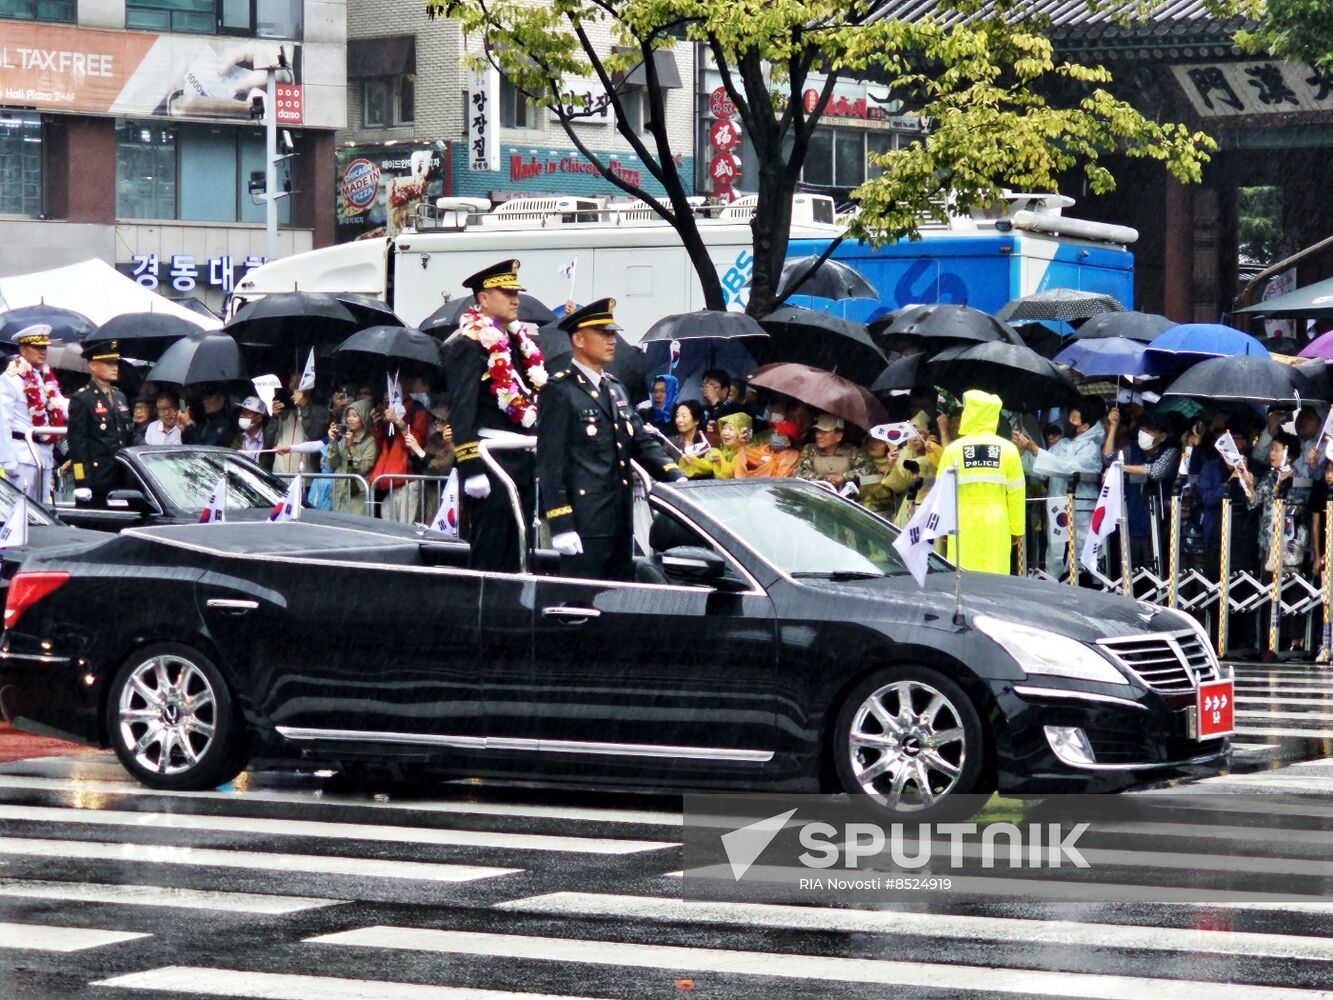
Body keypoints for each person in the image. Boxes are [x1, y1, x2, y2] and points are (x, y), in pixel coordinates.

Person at [536, 298, 684, 580]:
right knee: (583, 603)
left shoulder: (615, 388)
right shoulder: (560, 390)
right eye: (603, 334)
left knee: (618, 600)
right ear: (578, 339)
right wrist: (561, 523)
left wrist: (675, 475)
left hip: (618, 517)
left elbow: (639, 439)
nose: (612, 340)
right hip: (584, 520)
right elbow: (551, 463)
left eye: (613, 333)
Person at [440, 259, 546, 571]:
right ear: (483, 298)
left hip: (520, 458)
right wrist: (472, 467)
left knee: (521, 546)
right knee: (492, 548)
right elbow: (463, 408)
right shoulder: (467, 344)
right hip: (492, 460)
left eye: (516, 291)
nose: (515, 298)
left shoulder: (518, 342)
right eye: (505, 291)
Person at [1012, 395, 1106, 578]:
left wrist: (1035, 450)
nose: (1067, 423)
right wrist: (1024, 450)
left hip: (1081, 507)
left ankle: (1087, 585)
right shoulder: (1063, 443)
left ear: (1085, 426)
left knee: (1082, 549)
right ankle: (1054, 583)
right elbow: (1040, 470)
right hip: (1058, 504)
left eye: (1073, 419)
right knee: (1056, 551)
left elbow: (1068, 468)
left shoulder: (1091, 448)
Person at [938, 389, 1025, 575]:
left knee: (962, 577)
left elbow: (942, 492)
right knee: (996, 575)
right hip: (997, 523)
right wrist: (1017, 528)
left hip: (961, 522)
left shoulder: (953, 450)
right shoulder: (1009, 450)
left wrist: (942, 527)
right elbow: (1017, 492)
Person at [0, 324, 69, 502]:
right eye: (37, 347)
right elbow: (3, 420)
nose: (43, 351)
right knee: (20, 511)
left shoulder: (45, 378)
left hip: (44, 456)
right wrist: (7, 461)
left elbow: (62, 405)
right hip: (21, 455)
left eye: (44, 347)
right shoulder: (10, 379)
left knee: (44, 510)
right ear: (23, 350)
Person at [66, 339, 133, 503]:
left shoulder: (119, 396)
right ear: (93, 366)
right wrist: (81, 481)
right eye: (108, 363)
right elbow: (77, 445)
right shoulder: (82, 398)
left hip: (122, 474)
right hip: (97, 479)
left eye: (115, 362)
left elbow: (129, 432)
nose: (114, 367)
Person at [795, 414, 876, 492]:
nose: (818, 436)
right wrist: (826, 479)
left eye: (824, 432)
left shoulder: (853, 452)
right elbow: (798, 474)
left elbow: (871, 473)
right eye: (818, 431)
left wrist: (844, 477)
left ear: (839, 436)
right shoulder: (810, 449)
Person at [325, 398, 378, 514]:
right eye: (348, 415)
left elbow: (362, 468)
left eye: (355, 416)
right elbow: (332, 463)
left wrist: (351, 447)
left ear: (363, 418)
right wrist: (333, 441)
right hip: (338, 492)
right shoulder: (344, 438)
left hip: (356, 496)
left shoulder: (370, 441)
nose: (350, 419)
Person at [268, 384, 330, 476]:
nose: (295, 390)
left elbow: (315, 437)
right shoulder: (282, 411)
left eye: (300, 383)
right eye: (293, 383)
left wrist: (304, 406)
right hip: (280, 474)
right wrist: (274, 418)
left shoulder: (320, 411)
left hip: (305, 477)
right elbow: (268, 443)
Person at [670, 400, 712, 477]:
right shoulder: (671, 442)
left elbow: (712, 468)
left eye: (684, 416)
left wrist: (696, 462)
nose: (679, 420)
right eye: (677, 416)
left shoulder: (706, 441)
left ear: (696, 420)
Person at [232, 395, 270, 468]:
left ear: (259, 418)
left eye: (247, 412)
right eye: (242, 411)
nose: (243, 415)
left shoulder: (267, 439)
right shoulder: (238, 437)